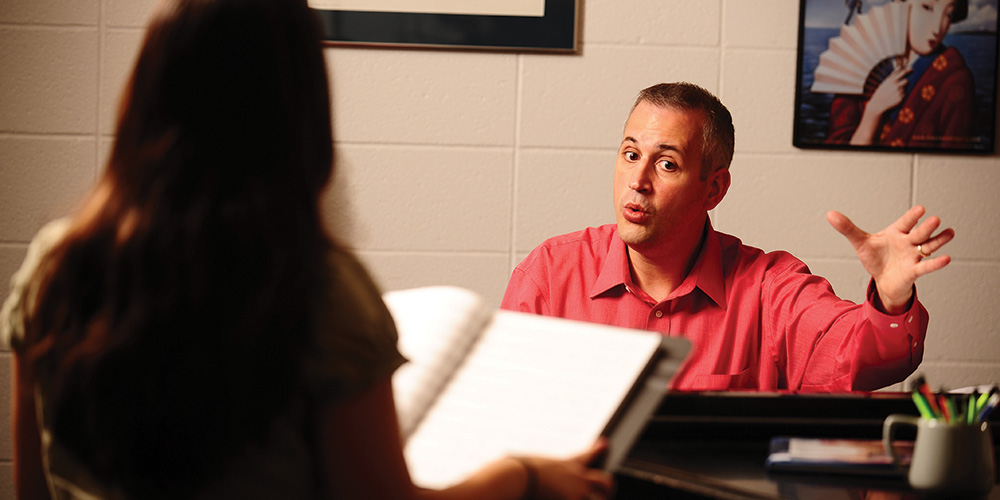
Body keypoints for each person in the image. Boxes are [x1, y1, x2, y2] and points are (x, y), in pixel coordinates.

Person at [0, 0, 613, 498]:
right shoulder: (315, 287)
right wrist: (522, 476)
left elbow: (30, 490)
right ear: (300, 114)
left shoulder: (56, 264)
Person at [501, 82, 955, 392]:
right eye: (630, 154)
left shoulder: (770, 288)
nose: (637, 181)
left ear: (714, 189)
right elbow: (495, 409)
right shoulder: (551, 275)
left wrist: (891, 300)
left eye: (667, 164)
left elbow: (860, 360)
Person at [826, 0, 975, 149]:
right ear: (899, 2)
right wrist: (873, 111)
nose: (937, 28)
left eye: (948, 14)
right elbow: (838, 154)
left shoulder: (955, 79)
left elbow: (954, 158)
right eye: (927, 8)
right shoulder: (858, 60)